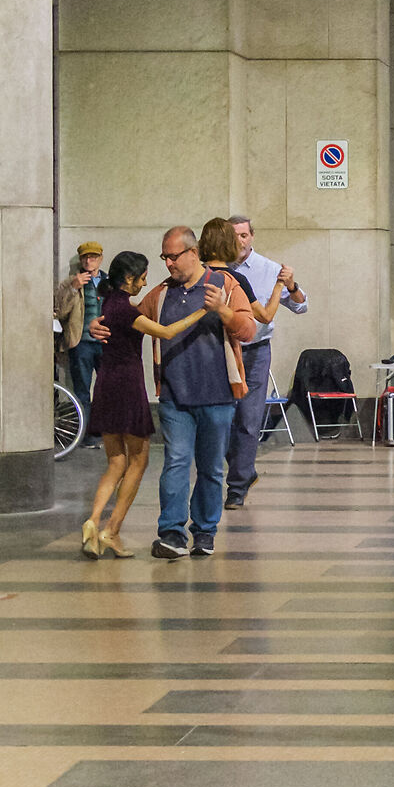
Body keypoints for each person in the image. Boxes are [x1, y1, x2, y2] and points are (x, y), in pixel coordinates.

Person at [80, 250, 213, 559]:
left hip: (105, 387)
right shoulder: (127, 311)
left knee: (115, 463)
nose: (144, 282)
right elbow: (166, 332)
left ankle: (92, 521)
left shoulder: (108, 304)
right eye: (141, 277)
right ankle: (111, 531)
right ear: (129, 279)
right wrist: (202, 312)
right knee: (138, 461)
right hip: (127, 387)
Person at [140, 227, 257, 561]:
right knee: (176, 462)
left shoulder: (225, 285)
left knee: (210, 468)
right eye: (164, 257)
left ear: (193, 252)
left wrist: (223, 310)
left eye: (173, 256)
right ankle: (172, 534)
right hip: (175, 397)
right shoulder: (161, 294)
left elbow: (248, 329)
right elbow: (135, 318)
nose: (168, 264)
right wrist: (102, 325)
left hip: (218, 396)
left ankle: (205, 532)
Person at [223, 213, 309, 510]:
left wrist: (293, 284)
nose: (239, 241)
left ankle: (236, 487)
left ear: (252, 236)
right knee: (221, 421)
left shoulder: (269, 269)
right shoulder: (216, 270)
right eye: (233, 236)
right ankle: (244, 471)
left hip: (256, 351)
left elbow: (301, 306)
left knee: (248, 419)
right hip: (223, 351)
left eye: (244, 235)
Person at [53, 242, 107, 432]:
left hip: (106, 344)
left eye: (93, 257)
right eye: (85, 257)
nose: (88, 260)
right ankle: (85, 434)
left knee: (107, 389)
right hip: (81, 342)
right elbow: (59, 312)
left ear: (100, 259)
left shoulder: (109, 282)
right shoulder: (69, 282)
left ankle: (104, 431)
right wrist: (73, 288)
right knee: (82, 390)